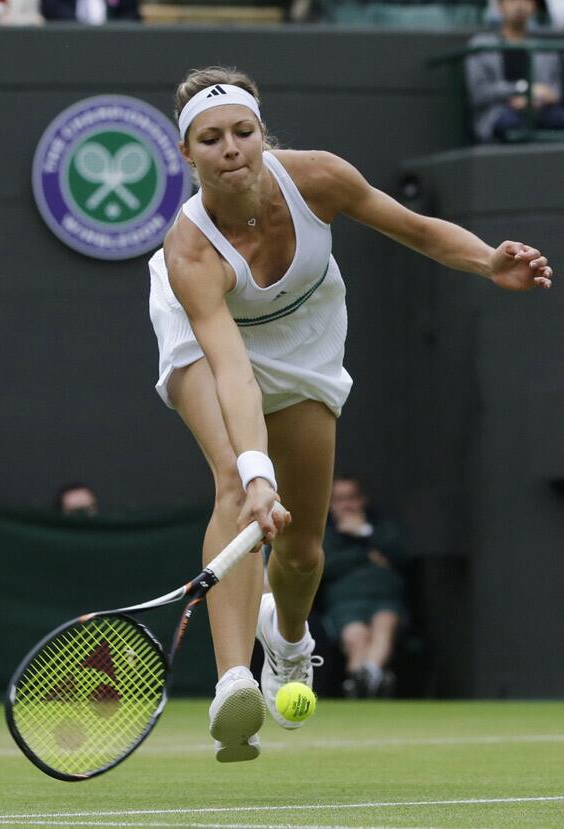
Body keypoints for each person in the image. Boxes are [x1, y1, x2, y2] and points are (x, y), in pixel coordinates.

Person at [148, 65, 553, 763]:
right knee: (233, 485)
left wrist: (489, 261)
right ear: (187, 154)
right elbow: (233, 373)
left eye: (243, 131)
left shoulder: (318, 178)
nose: (232, 148)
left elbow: (419, 229)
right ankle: (233, 682)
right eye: (211, 139)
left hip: (305, 334)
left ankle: (289, 638)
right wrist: (254, 472)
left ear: (261, 131)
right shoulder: (187, 252)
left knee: (302, 549)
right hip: (215, 342)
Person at [321, 475, 406, 698]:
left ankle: (365, 679)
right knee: (356, 637)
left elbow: (400, 556)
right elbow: (325, 567)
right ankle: (365, 684)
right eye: (338, 499)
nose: (346, 505)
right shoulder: (324, 536)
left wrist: (364, 533)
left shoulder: (382, 529)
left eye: (351, 498)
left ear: (362, 500)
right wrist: (368, 554)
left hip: (385, 600)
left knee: (384, 624)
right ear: (329, 504)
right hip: (345, 604)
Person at [466, 0, 564, 142]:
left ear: (534, 7)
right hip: (499, 112)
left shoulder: (546, 50)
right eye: (512, 0)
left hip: (541, 109)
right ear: (500, 6)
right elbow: (480, 93)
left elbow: (555, 90)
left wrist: (536, 100)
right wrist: (522, 89)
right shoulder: (481, 46)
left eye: (526, 1)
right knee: (510, 124)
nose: (519, 5)